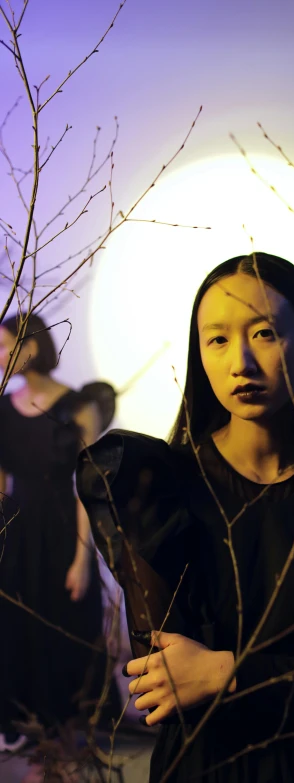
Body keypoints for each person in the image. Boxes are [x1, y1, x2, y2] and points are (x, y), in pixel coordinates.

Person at [77, 252, 294, 783]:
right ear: (200, 354)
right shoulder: (157, 489)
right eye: (217, 339)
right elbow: (164, 678)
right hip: (211, 765)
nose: (240, 360)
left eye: (264, 333)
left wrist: (227, 671)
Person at [0, 313, 121, 779]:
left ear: (29, 347)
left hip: (63, 534)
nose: (1, 355)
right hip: (17, 536)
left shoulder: (76, 407)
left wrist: (82, 558)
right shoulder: (4, 411)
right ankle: (38, 747)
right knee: (20, 635)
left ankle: (68, 746)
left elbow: (87, 486)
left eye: (6, 344)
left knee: (65, 633)